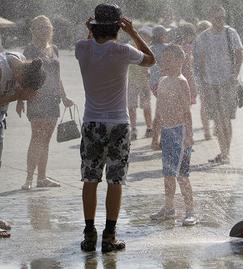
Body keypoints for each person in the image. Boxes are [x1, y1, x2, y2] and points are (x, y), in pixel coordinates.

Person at [75, 3, 155, 253]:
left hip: (92, 122)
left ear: (94, 26)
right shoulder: (123, 51)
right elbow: (151, 60)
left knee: (90, 179)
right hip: (119, 123)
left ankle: (89, 235)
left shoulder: (81, 48)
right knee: (115, 180)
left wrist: (90, 31)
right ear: (118, 27)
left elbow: (90, 46)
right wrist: (133, 32)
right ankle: (110, 236)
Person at [18, 15, 74, 190]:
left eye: (47, 27)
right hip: (36, 98)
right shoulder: (29, 50)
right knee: (37, 138)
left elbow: (57, 77)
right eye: (40, 27)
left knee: (46, 140)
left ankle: (41, 178)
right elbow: (22, 76)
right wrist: (20, 99)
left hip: (53, 100)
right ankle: (28, 179)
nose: (44, 30)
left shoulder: (54, 48)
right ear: (33, 30)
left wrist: (64, 97)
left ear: (51, 30)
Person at [149, 44, 196, 226]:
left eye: (169, 59)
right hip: (167, 132)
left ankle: (190, 211)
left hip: (180, 131)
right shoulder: (162, 81)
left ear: (180, 61)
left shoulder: (181, 82)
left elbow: (187, 111)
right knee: (168, 173)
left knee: (182, 175)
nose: (165, 63)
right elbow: (159, 110)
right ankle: (169, 208)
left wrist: (189, 135)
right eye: (164, 59)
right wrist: (156, 135)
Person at [0, 50, 44, 239]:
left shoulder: (19, 60)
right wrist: (16, 96)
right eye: (21, 84)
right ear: (21, 75)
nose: (18, 86)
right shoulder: (2, 69)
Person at [195, 5, 243, 164]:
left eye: (223, 17)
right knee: (217, 119)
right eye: (217, 18)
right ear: (210, 18)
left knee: (225, 118)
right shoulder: (203, 37)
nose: (220, 21)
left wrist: (234, 75)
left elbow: (239, 54)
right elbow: (200, 61)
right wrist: (202, 82)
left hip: (227, 83)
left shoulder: (231, 33)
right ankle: (223, 152)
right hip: (210, 83)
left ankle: (225, 153)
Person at [128, 29, 153, 141]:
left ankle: (149, 128)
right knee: (132, 107)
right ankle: (133, 129)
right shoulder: (130, 48)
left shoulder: (149, 49)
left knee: (146, 107)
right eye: (140, 36)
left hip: (144, 84)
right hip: (132, 82)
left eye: (145, 37)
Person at [149, 25, 169, 150]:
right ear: (161, 36)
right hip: (165, 82)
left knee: (161, 111)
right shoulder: (167, 48)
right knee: (162, 112)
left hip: (154, 83)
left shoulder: (150, 48)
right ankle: (157, 140)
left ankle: (157, 140)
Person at [195, 20, 213, 140]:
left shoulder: (196, 43)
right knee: (214, 104)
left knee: (204, 104)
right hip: (208, 77)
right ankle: (212, 129)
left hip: (201, 77)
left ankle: (207, 131)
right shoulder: (211, 42)